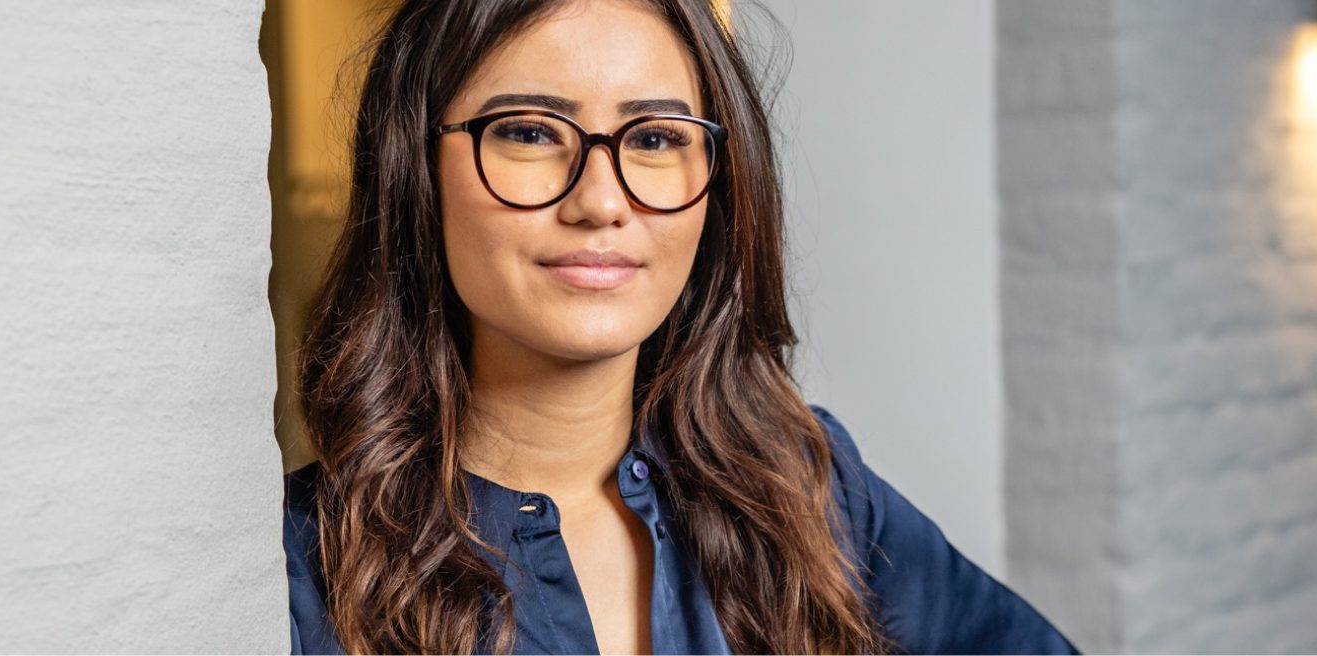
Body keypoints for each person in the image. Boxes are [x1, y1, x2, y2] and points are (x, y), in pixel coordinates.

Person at [281, 0, 1077, 653]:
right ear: (414, 169)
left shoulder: (807, 489)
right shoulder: (295, 573)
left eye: (656, 138)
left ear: (717, 186)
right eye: (528, 132)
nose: (599, 200)